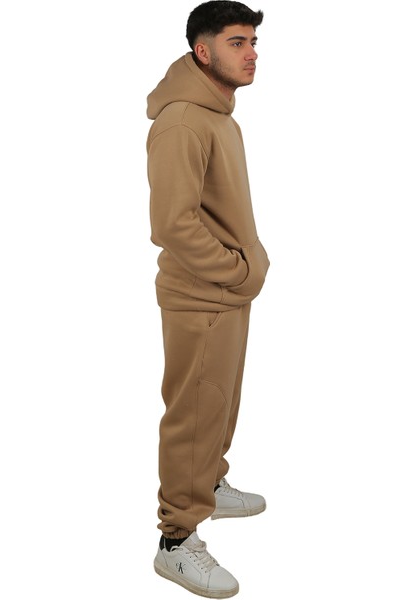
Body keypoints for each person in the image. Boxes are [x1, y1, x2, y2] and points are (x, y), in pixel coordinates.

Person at [146, 1, 269, 596]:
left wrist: (242, 274)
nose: (251, 54)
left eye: (253, 42)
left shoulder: (219, 115)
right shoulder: (182, 123)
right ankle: (176, 540)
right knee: (192, 414)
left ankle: (209, 485)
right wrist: (236, 271)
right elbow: (173, 224)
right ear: (203, 50)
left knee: (219, 403)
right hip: (201, 296)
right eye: (237, 42)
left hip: (225, 293)